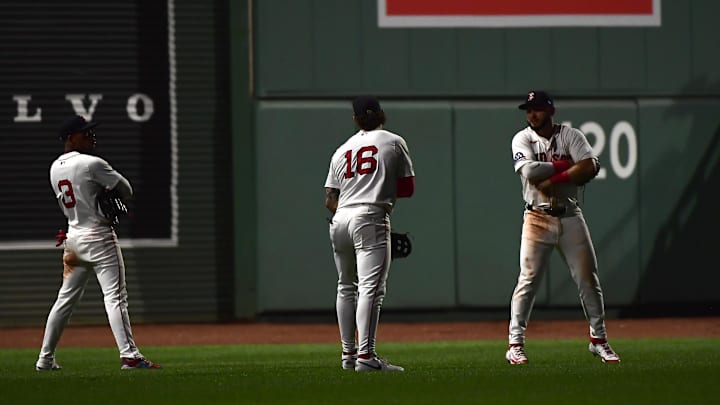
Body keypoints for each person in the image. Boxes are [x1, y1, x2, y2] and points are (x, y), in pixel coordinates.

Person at [36, 115, 160, 371]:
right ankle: (130, 356)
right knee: (115, 297)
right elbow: (126, 189)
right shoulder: (92, 164)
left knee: (65, 300)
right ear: (70, 138)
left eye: (91, 132)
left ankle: (45, 359)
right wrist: (107, 193)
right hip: (99, 237)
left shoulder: (55, 167)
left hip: (73, 238)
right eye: (85, 133)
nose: (91, 136)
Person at [506, 91, 620, 364]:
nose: (532, 114)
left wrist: (558, 175)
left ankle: (599, 340)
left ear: (551, 110)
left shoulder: (571, 136)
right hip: (536, 217)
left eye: (537, 109)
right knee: (528, 281)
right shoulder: (522, 138)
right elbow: (529, 172)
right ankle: (515, 344)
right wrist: (566, 165)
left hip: (570, 215)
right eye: (529, 109)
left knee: (588, 279)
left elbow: (590, 166)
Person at [324, 96, 415, 372]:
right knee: (371, 288)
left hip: (340, 218)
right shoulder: (393, 141)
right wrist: (376, 193)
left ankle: (348, 356)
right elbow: (408, 188)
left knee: (345, 286)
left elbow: (329, 197)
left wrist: (354, 206)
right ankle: (366, 356)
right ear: (381, 114)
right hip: (370, 216)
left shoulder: (341, 150)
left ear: (355, 120)